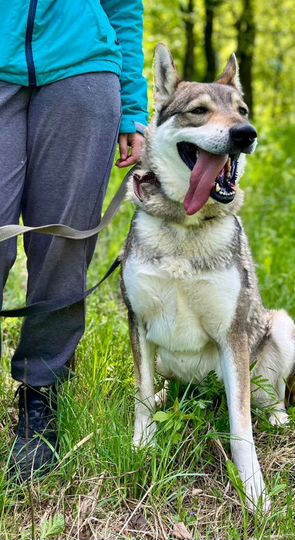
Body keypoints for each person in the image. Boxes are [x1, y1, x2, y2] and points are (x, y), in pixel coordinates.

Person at [0, 0, 148, 479]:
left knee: (62, 248)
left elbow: (123, 7)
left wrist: (132, 106)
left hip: (83, 69)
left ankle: (40, 397)